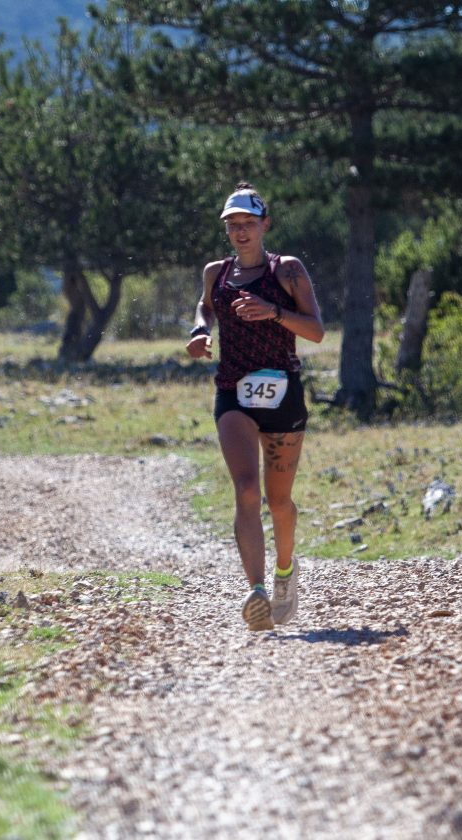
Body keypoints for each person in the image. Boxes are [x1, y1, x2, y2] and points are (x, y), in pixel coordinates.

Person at [186, 183, 324, 631]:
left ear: (265, 225)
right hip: (233, 392)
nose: (241, 233)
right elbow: (205, 308)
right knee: (246, 489)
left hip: (283, 392)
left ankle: (285, 572)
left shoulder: (287, 271)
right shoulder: (216, 273)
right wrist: (200, 331)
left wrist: (274, 312)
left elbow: (317, 331)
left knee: (278, 501)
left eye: (248, 224)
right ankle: (257, 591)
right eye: (233, 226)